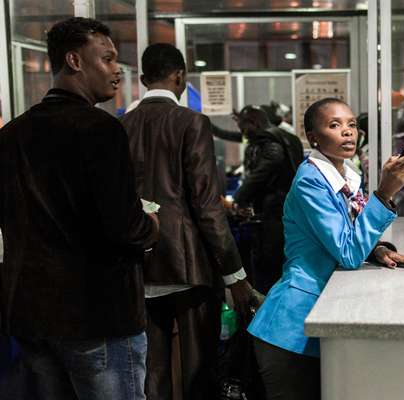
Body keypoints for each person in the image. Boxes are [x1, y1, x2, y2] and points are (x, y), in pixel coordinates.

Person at [0, 17, 159, 400]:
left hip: (32, 314)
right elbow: (123, 226)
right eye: (106, 58)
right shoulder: (99, 130)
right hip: (96, 314)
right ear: (74, 61)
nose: (116, 69)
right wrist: (151, 223)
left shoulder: (11, 136)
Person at [248, 98, 404, 400]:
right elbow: (347, 252)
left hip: (318, 320)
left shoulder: (346, 177)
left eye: (352, 124)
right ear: (312, 137)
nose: (348, 132)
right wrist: (384, 193)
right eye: (334, 125)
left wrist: (376, 250)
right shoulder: (310, 182)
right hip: (290, 329)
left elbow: (345, 236)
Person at [120, 43, 255, 400]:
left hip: (139, 262)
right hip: (187, 266)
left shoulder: (122, 125)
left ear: (144, 79)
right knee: (199, 368)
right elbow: (207, 205)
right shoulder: (191, 122)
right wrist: (235, 275)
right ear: (181, 76)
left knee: (153, 368)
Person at [234, 105, 304, 294]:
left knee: (269, 269)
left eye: (243, 128)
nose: (243, 134)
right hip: (284, 213)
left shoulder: (269, 143)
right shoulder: (284, 138)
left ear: (253, 123)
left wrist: (240, 197)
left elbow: (263, 172)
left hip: (273, 215)